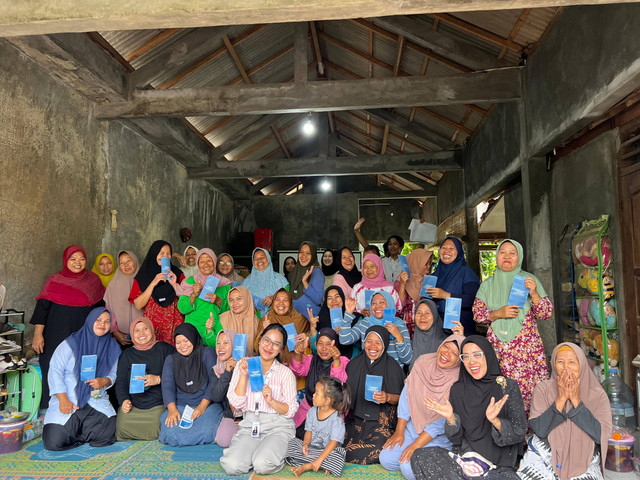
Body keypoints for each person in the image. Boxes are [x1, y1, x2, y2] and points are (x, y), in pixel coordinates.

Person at [410, 336, 527, 480]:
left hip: (497, 467)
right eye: (465, 357)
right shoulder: (458, 389)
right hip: (465, 462)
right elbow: (457, 440)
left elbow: (519, 433)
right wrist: (451, 419)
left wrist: (495, 421)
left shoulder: (507, 387)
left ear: (488, 354)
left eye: (477, 354)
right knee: (421, 456)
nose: (472, 362)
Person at [473, 239, 553, 412]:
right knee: (499, 390)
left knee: (529, 393)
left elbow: (545, 313)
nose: (507, 256)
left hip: (525, 349)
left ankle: (530, 433)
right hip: (498, 349)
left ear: (520, 257)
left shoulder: (529, 281)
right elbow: (477, 315)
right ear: (496, 257)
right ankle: (505, 432)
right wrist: (497, 313)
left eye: (512, 252)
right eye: (502, 252)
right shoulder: (487, 285)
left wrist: (535, 293)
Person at [517, 343, 612, 480]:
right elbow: (540, 429)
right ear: (553, 364)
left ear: (582, 365)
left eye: (572, 362)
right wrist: (561, 399)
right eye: (560, 362)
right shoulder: (543, 389)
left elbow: (601, 435)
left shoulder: (597, 395)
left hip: (585, 460)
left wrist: (576, 401)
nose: (566, 368)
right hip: (544, 455)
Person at [380, 335, 465, 480]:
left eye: (454, 353)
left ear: (459, 359)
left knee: (408, 467)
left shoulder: (459, 380)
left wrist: (416, 445)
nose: (447, 353)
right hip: (413, 427)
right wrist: (399, 432)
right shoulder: (423, 362)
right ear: (441, 344)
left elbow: (442, 421)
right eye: (446, 347)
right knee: (386, 459)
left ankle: (442, 458)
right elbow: (407, 396)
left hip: (437, 436)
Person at [31, 245, 105, 408]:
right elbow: (42, 308)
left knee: (82, 370)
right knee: (53, 368)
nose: (78, 262)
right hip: (55, 336)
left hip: (84, 336)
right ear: (66, 260)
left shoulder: (93, 281)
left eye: (82, 259)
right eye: (73, 259)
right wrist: (38, 334)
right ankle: (51, 409)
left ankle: (82, 407)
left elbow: (101, 310)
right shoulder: (53, 280)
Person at [221, 324, 299, 476]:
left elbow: (290, 410)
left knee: (262, 464)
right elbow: (236, 404)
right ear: (259, 340)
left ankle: (273, 452)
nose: (269, 346)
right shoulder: (243, 365)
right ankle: (257, 451)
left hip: (278, 427)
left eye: (276, 344)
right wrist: (244, 375)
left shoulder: (285, 373)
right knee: (232, 465)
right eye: (267, 340)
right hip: (251, 425)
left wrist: (272, 402)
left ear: (281, 349)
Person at [42, 307, 121, 451]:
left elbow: (113, 374)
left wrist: (105, 381)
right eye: (98, 320)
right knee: (53, 442)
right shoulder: (70, 344)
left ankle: (79, 432)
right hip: (69, 399)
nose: (102, 324)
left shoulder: (112, 347)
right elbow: (55, 371)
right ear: (90, 320)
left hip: (95, 399)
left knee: (107, 434)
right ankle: (78, 432)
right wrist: (63, 399)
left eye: (107, 321)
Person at [344, 325, 405, 464]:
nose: (372, 346)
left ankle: (344, 454)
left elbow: (403, 399)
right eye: (369, 341)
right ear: (364, 343)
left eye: (378, 342)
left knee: (378, 451)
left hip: (381, 423)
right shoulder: (354, 364)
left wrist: (388, 397)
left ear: (385, 345)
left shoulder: (393, 367)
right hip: (356, 420)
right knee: (336, 442)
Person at [159, 323, 223, 446]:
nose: (182, 346)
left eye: (186, 340)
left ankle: (186, 438)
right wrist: (172, 410)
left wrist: (202, 407)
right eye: (178, 343)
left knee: (208, 428)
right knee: (169, 430)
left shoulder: (207, 353)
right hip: (181, 407)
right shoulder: (171, 359)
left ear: (193, 338)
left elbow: (213, 382)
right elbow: (167, 386)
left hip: (207, 406)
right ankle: (194, 438)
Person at [115, 316, 174, 441]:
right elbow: (120, 382)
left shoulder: (164, 349)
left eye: (145, 329)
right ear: (132, 334)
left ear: (152, 330)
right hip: (134, 405)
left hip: (158, 405)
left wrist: (159, 379)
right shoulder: (127, 354)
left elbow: (179, 372)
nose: (141, 333)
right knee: (121, 426)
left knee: (158, 428)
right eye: (137, 330)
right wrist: (124, 401)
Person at [285, 377, 351, 477]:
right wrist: (305, 445)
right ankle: (321, 466)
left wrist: (320, 459)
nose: (313, 395)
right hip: (312, 450)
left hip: (328, 453)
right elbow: (308, 431)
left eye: (317, 393)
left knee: (338, 458)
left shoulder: (337, 419)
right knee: (292, 443)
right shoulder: (312, 411)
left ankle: (309, 466)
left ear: (327, 400)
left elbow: (334, 442)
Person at [290, 328, 349, 436]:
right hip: (308, 409)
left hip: (332, 413)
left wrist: (336, 359)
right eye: (320, 343)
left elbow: (337, 383)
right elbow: (298, 370)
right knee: (298, 436)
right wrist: (298, 353)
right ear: (315, 344)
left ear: (335, 345)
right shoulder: (311, 360)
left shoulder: (343, 361)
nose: (324, 348)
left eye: (328, 344)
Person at [129, 240, 185, 346]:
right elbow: (138, 304)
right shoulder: (143, 276)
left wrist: (174, 284)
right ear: (154, 254)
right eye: (162, 253)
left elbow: (187, 300)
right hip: (152, 327)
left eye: (168, 253)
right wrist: (153, 283)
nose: (165, 256)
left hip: (175, 324)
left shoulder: (178, 273)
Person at [340, 291, 411, 368]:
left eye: (382, 302)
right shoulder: (365, 323)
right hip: (369, 372)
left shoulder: (399, 324)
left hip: (392, 374)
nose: (377, 306)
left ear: (390, 303)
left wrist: (398, 337)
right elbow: (344, 340)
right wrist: (348, 313)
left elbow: (407, 360)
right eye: (373, 303)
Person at [177, 248, 232, 346]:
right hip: (193, 331)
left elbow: (230, 310)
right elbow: (182, 308)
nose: (206, 264)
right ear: (198, 264)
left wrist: (218, 301)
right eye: (202, 261)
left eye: (209, 260)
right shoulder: (189, 282)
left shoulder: (224, 284)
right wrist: (193, 295)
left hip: (215, 331)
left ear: (214, 262)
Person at [428, 237, 480, 336]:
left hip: (460, 328)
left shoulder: (466, 273)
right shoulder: (435, 275)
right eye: (444, 248)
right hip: (436, 329)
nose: (447, 251)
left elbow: (471, 300)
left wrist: (444, 295)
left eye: (452, 248)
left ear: (459, 252)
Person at [103, 250, 142, 347]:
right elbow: (108, 311)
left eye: (129, 261)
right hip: (121, 337)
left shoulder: (145, 282)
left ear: (135, 261)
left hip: (143, 334)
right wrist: (115, 331)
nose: (126, 265)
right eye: (122, 263)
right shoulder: (113, 285)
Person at [210, 329, 241, 447]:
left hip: (250, 414)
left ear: (235, 345)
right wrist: (227, 372)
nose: (220, 347)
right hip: (231, 415)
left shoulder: (247, 364)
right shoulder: (216, 370)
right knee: (223, 440)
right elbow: (216, 397)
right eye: (218, 343)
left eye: (225, 343)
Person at [411, 299, 463, 368]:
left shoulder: (446, 344)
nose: (422, 316)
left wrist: (459, 338)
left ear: (435, 316)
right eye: (419, 312)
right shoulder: (409, 343)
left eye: (427, 312)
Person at [395, 248, 434, 337]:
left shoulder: (429, 280)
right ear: (416, 263)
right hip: (404, 327)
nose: (428, 267)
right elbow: (399, 305)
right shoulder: (401, 280)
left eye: (429, 263)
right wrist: (403, 284)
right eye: (425, 264)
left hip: (423, 325)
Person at [354, 218, 404, 284]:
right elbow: (367, 247)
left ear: (401, 246)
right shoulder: (382, 260)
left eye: (395, 244)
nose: (392, 247)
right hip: (384, 292)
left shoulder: (406, 262)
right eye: (390, 244)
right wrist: (356, 231)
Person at [315, 286, 361, 359]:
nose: (333, 300)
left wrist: (346, 333)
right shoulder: (320, 319)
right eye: (329, 298)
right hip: (328, 361)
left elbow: (361, 344)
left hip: (351, 358)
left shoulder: (356, 318)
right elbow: (315, 349)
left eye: (337, 296)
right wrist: (312, 327)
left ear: (342, 298)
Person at [219, 286, 260, 356]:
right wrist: (209, 329)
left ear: (247, 299)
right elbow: (215, 344)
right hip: (228, 363)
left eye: (239, 299)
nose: (235, 303)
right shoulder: (222, 318)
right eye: (231, 300)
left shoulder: (256, 320)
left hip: (251, 363)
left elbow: (259, 348)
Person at [287, 242, 325, 318]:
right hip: (294, 320)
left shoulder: (316, 272)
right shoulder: (294, 272)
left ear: (313, 255)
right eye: (301, 252)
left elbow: (318, 299)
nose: (304, 256)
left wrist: (305, 283)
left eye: (308, 253)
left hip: (309, 322)